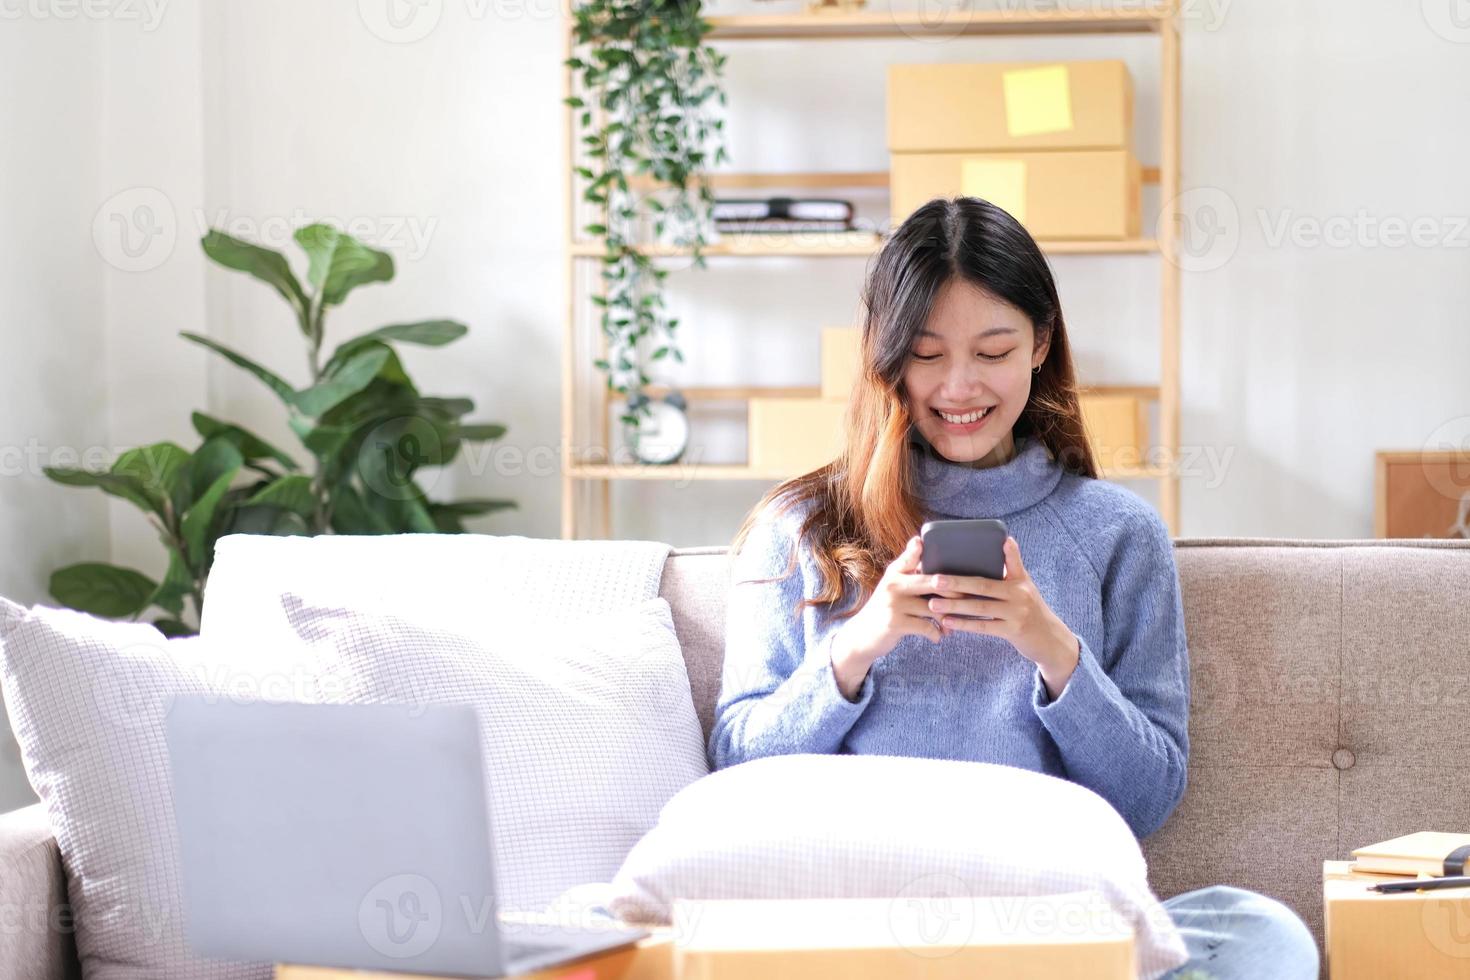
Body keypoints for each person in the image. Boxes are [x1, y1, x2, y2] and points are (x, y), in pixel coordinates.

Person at [707, 197, 1319, 979]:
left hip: (1046, 919)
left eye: (993, 350)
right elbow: (737, 763)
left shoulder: (1117, 534)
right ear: (888, 358)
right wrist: (857, 647)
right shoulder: (803, 527)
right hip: (858, 920)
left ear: (1040, 344)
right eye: (927, 354)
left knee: (1259, 932)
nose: (960, 387)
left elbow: (1148, 797)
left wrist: (1053, 649)